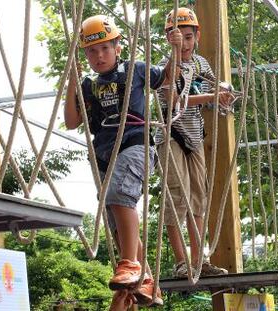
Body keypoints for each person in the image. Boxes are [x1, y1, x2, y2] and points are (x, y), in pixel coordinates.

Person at [65, 15, 182, 306]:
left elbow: (167, 76)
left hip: (135, 145)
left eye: (105, 48)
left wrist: (175, 51)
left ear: (118, 47)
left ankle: (130, 263)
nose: (99, 56)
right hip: (106, 156)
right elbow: (71, 121)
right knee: (116, 224)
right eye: (91, 51)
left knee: (120, 196)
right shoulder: (90, 86)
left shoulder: (135, 70)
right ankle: (146, 281)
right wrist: (72, 81)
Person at [155, 7, 234, 278]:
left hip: (195, 135)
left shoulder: (201, 64)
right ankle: (181, 261)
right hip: (170, 135)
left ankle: (200, 260)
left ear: (197, 35)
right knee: (178, 196)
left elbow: (214, 87)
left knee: (198, 198)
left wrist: (223, 92)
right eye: (179, 38)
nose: (185, 44)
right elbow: (173, 100)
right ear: (169, 38)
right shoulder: (166, 66)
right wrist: (212, 97)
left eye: (189, 37)